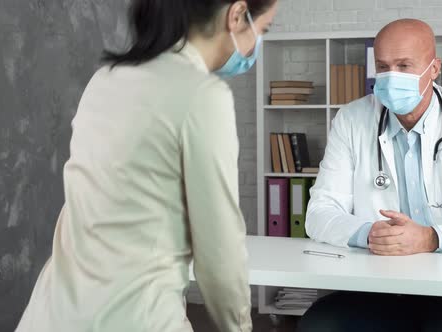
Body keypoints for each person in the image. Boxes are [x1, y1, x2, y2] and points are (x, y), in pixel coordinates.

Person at [16, 1, 277, 331]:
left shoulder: (105, 80)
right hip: (134, 318)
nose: (256, 46)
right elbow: (220, 259)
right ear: (237, 15)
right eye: (263, 30)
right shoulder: (203, 96)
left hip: (49, 315)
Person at [299, 19, 442, 332]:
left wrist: (431, 238)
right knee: (320, 326)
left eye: (404, 65)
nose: (391, 76)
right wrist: (370, 233)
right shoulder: (352, 120)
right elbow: (319, 213)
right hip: (374, 286)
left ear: (434, 69)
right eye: (383, 66)